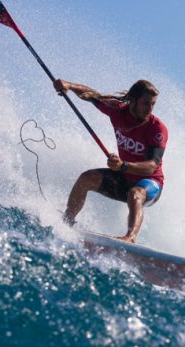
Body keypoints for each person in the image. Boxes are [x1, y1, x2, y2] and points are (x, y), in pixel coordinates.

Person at [53, 79, 168, 243]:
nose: (150, 109)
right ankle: (67, 221)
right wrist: (69, 86)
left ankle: (130, 237)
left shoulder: (157, 128)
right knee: (86, 178)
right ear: (133, 101)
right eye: (146, 103)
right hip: (123, 179)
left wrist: (124, 165)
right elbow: (92, 95)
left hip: (149, 184)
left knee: (135, 193)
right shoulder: (116, 110)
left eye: (153, 104)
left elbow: (151, 167)